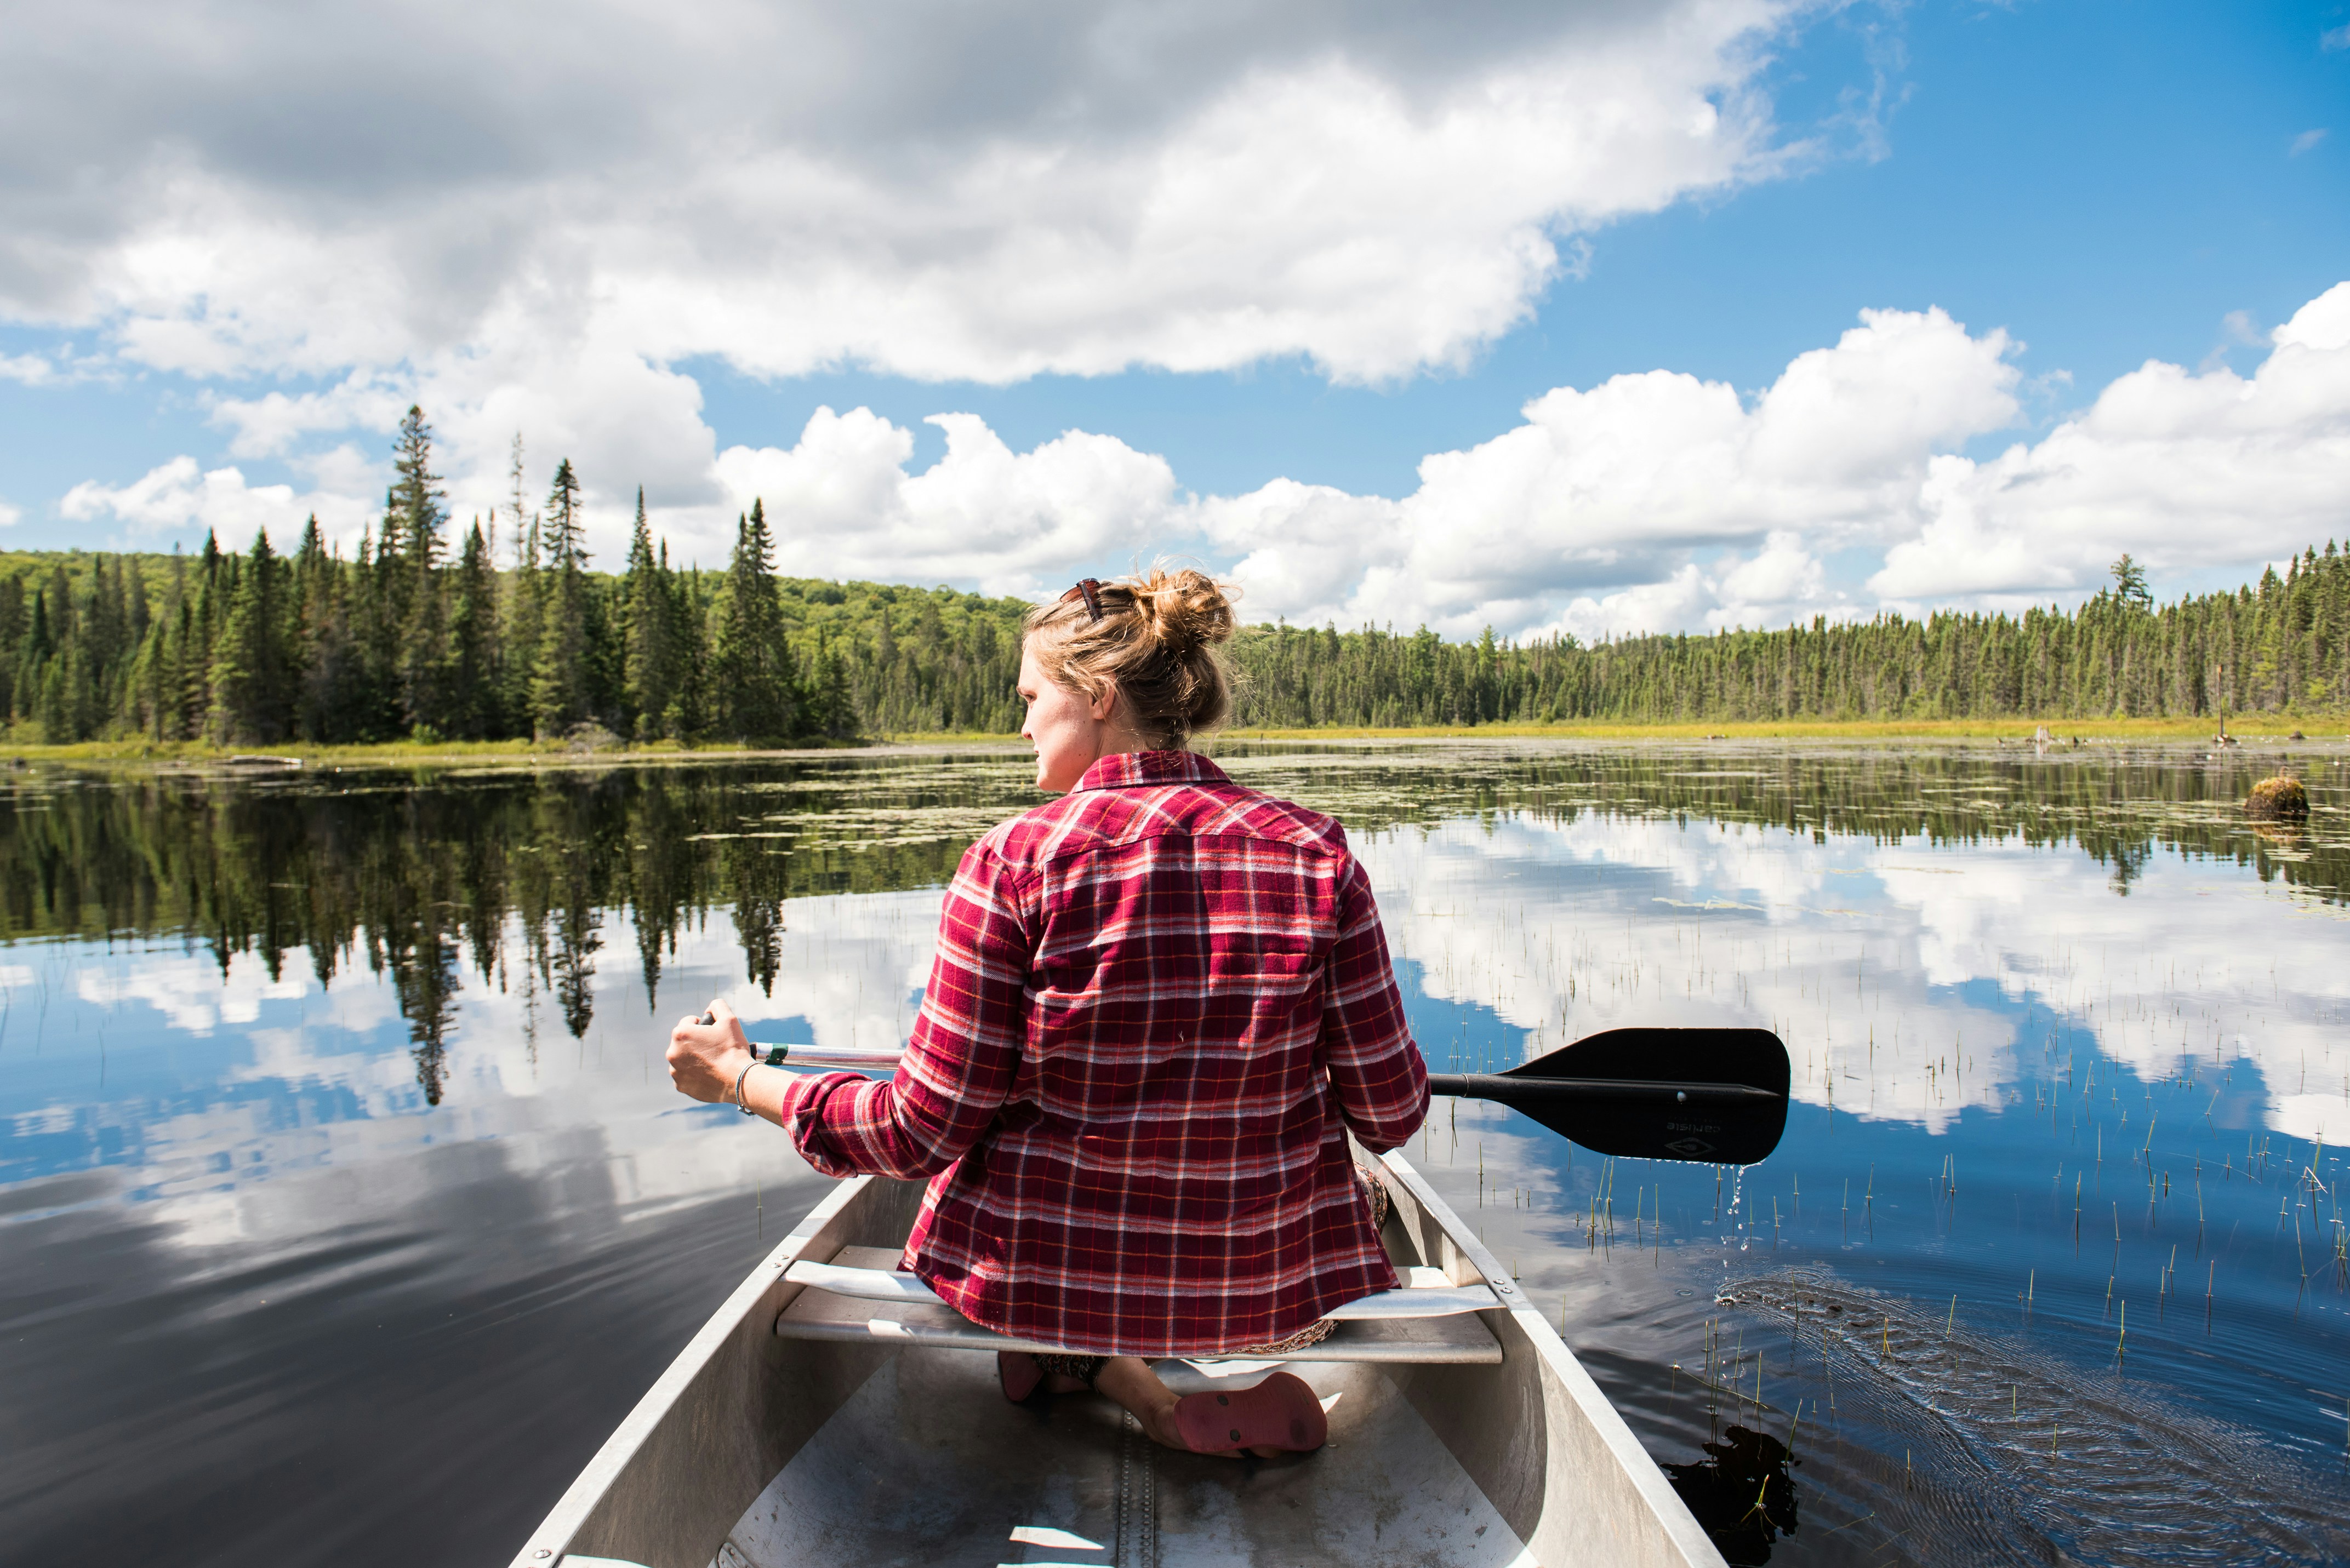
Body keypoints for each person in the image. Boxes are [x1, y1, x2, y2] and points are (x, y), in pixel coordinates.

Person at [665, 566, 1428, 1457]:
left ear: (1097, 696)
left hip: (1041, 1281)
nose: (1020, 722)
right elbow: (1390, 1111)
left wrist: (743, 1079)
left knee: (1009, 1218)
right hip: (1260, 1287)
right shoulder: (1317, 855)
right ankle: (1147, 1394)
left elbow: (922, 1129)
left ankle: (1100, 1376)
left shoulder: (1011, 863)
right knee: (1362, 1188)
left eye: (1031, 696)